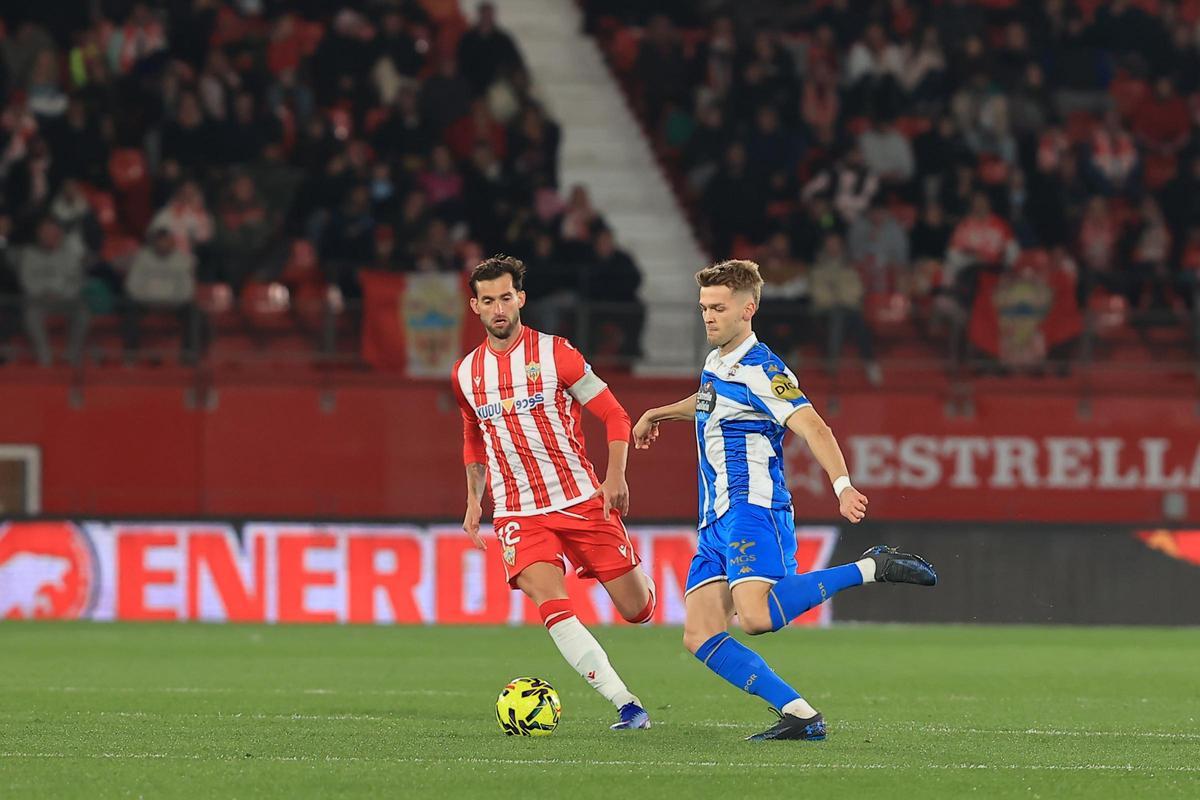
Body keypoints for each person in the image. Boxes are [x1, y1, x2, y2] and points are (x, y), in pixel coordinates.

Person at [632, 259, 937, 741]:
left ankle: (872, 567)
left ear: (747, 309)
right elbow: (709, 400)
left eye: (718, 308)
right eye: (704, 307)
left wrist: (842, 486)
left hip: (753, 507)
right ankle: (800, 715)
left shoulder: (763, 369)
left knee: (754, 618)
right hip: (715, 519)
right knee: (700, 634)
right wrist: (659, 413)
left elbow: (814, 426)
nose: (708, 316)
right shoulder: (718, 361)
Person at [452, 254, 655, 731]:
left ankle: (638, 579)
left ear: (520, 299)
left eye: (506, 298)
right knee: (552, 603)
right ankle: (626, 704)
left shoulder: (557, 354)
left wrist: (616, 476)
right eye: (488, 301)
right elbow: (473, 436)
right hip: (518, 511)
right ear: (475, 307)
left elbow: (615, 415)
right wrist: (474, 499)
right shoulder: (465, 374)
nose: (498, 308)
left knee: (637, 610)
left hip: (581, 498)